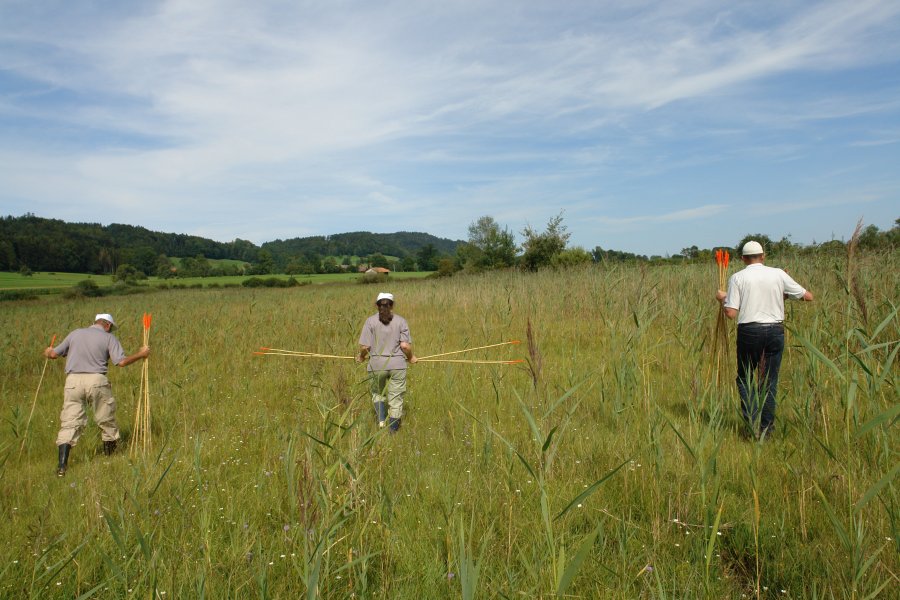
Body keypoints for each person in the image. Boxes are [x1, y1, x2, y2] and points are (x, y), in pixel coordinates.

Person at [716, 241, 813, 440]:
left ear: (743, 259)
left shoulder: (737, 277)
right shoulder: (778, 273)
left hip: (749, 332)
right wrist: (780, 294)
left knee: (744, 378)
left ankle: (751, 427)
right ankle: (767, 430)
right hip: (775, 331)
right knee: (768, 383)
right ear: (763, 256)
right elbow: (808, 297)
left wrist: (722, 299)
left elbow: (731, 313)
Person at [43, 313, 150, 476]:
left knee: (70, 422)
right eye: (111, 328)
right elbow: (121, 362)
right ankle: (110, 460)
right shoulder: (109, 338)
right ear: (107, 325)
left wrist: (48, 350)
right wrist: (141, 353)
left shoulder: (75, 333)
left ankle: (62, 466)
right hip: (97, 380)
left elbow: (52, 354)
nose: (111, 331)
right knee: (106, 419)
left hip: (72, 382)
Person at [357, 292, 417, 432]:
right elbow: (405, 346)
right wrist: (411, 358)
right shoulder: (401, 321)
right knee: (395, 399)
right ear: (392, 305)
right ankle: (393, 431)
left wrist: (361, 357)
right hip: (397, 366)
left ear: (377, 305)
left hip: (376, 366)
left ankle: (381, 422)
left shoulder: (370, 321)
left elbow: (365, 347)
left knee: (378, 394)